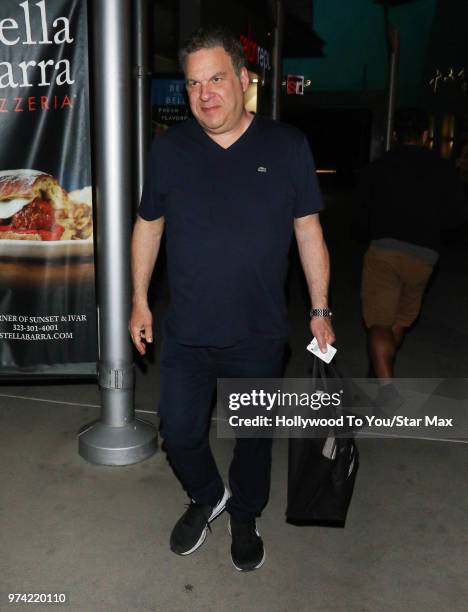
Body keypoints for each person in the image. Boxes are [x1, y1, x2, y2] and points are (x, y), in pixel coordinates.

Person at [129, 26, 335, 572]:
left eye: (216, 78)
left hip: (259, 332)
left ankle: (244, 515)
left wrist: (319, 309)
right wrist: (139, 300)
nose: (204, 94)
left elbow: (308, 230)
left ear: (244, 80)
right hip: (187, 329)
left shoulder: (286, 146)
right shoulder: (170, 148)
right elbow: (148, 226)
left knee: (253, 439)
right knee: (178, 428)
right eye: (194, 84)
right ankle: (206, 495)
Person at [357, 108, 466, 409]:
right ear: (426, 136)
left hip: (386, 249)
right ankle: (382, 375)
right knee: (400, 322)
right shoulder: (443, 169)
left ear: (395, 136)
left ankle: (388, 389)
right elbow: (458, 216)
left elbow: (360, 213)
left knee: (378, 322)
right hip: (425, 256)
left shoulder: (380, 166)